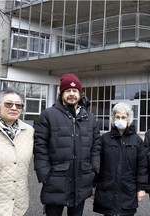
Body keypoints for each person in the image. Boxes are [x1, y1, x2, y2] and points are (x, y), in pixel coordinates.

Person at [34, 73, 101, 216]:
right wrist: (44, 174)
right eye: (68, 91)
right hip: (55, 179)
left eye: (75, 91)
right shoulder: (48, 115)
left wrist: (93, 170)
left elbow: (96, 146)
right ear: (61, 93)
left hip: (82, 178)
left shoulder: (90, 118)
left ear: (80, 94)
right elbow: (40, 146)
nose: (72, 94)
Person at [0, 88, 34, 215]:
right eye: (8, 104)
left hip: (18, 205)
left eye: (19, 105)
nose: (14, 108)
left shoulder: (29, 131)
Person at [93, 102, 148, 216]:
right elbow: (97, 163)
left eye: (123, 117)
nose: (120, 119)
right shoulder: (105, 139)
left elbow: (142, 166)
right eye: (117, 117)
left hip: (127, 190)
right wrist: (93, 185)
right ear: (113, 118)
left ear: (129, 119)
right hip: (107, 190)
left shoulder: (137, 140)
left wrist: (141, 188)